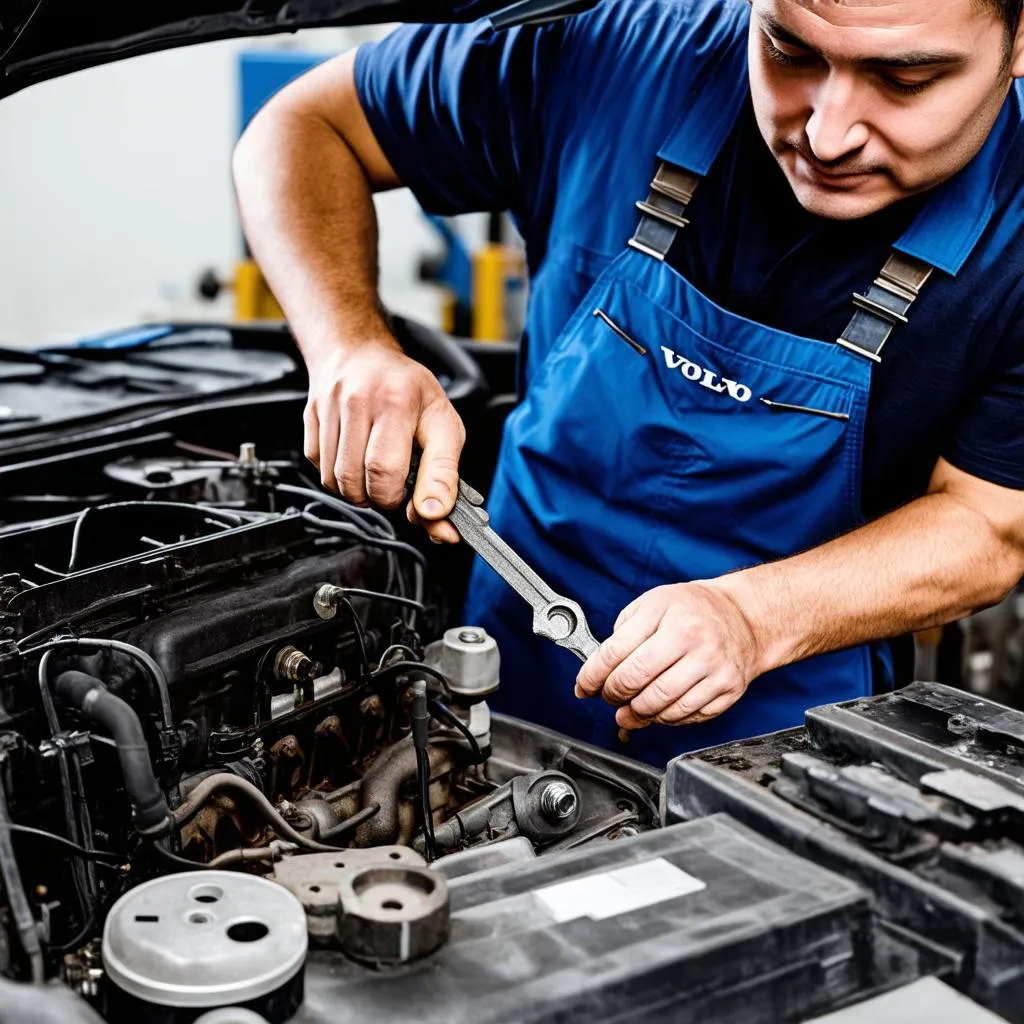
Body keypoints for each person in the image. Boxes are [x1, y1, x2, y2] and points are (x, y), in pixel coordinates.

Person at [233, 0, 1024, 766]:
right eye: (791, 52)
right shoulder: (614, 51)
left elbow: (990, 525)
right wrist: (350, 348)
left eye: (906, 78)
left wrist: (750, 617)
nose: (826, 132)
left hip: (782, 741)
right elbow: (300, 127)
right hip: (495, 675)